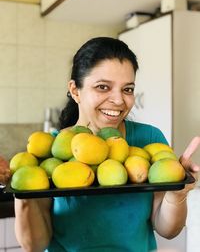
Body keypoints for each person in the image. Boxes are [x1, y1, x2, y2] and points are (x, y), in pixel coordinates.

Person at [12, 37, 200, 252]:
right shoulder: (50, 150)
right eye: (103, 87)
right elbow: (33, 246)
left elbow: (168, 230)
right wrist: (23, 192)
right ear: (75, 91)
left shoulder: (149, 139)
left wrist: (178, 191)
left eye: (127, 89)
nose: (119, 100)